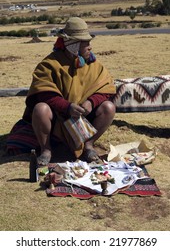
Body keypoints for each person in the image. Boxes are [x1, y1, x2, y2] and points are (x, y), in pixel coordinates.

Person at [7, 17, 116, 165]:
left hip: (83, 119)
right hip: (57, 118)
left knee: (109, 107)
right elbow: (43, 93)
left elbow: (106, 88)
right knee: (40, 109)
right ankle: (46, 149)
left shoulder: (94, 65)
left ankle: (88, 145)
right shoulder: (49, 65)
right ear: (73, 45)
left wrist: (91, 102)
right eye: (86, 43)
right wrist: (67, 107)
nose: (90, 47)